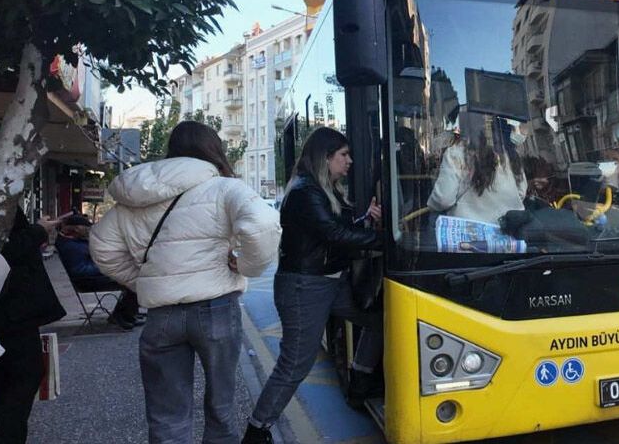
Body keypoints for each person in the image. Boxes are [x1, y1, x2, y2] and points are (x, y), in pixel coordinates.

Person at [89, 121, 281, 444]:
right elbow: (263, 224)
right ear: (213, 150)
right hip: (217, 309)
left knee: (167, 419)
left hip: (162, 316)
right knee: (221, 411)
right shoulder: (224, 188)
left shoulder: (136, 195)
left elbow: (101, 246)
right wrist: (245, 266)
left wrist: (145, 282)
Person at [243, 127, 383, 444]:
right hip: (306, 288)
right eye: (344, 155)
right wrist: (388, 240)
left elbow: (336, 232)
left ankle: (360, 381)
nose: (350, 161)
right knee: (295, 363)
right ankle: (257, 430)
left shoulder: (322, 189)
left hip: (330, 283)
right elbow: (334, 235)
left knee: (381, 319)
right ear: (326, 156)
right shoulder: (306, 192)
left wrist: (366, 221)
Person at [0, 209, 67, 444]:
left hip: (11, 306)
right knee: (20, 376)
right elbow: (2, 248)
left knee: (18, 376)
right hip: (9, 306)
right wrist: (38, 231)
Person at [427, 113, 527, 224]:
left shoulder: (457, 152)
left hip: (469, 235)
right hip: (510, 231)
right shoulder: (511, 154)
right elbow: (521, 192)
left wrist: (431, 205)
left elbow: (443, 199)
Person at [55, 214, 141, 329]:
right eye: (86, 228)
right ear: (76, 228)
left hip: (94, 276)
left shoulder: (75, 241)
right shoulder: (70, 246)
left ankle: (124, 314)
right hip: (88, 281)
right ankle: (124, 316)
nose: (88, 230)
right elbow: (79, 270)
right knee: (135, 282)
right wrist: (104, 267)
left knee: (134, 278)